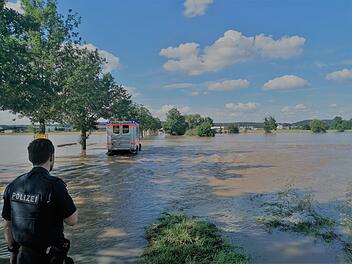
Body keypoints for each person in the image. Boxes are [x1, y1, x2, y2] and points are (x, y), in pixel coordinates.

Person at [2, 139, 78, 264]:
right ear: (51, 157)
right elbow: (72, 220)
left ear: (30, 157)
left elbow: (7, 225)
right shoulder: (54, 185)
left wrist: (13, 252)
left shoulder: (14, 185)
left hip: (23, 256)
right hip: (50, 257)